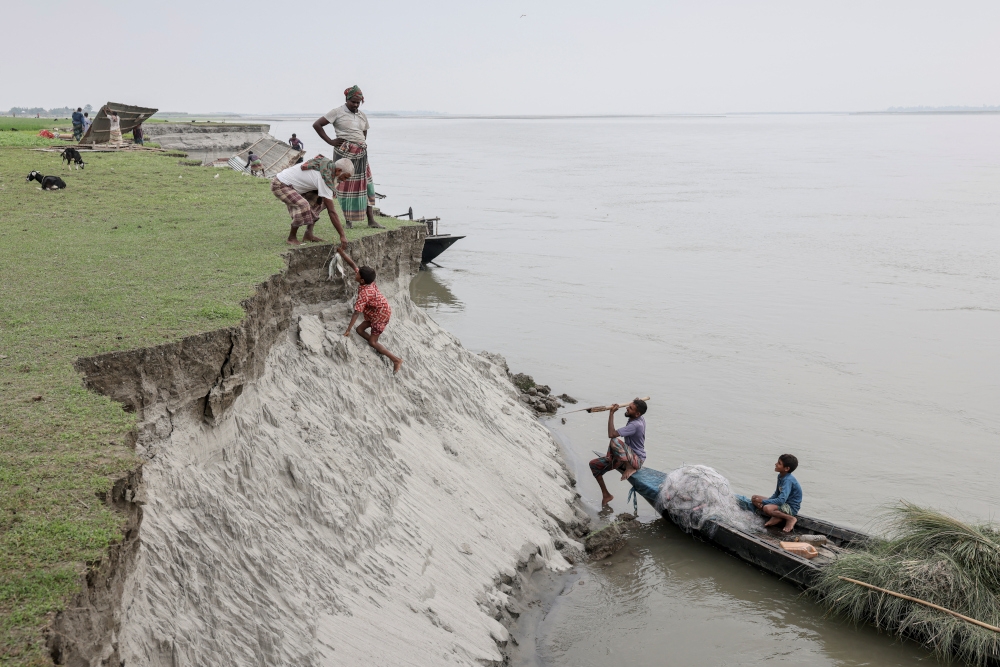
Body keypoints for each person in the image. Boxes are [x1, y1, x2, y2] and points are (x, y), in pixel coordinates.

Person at [312, 85, 384, 229]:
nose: (356, 105)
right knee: (344, 186)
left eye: (358, 102)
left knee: (366, 185)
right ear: (347, 99)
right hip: (344, 153)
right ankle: (348, 222)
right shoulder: (337, 112)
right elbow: (317, 125)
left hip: (361, 154)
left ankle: (371, 220)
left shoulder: (362, 115)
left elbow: (363, 133)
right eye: (353, 102)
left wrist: (360, 144)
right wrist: (331, 141)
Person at [337, 248, 403, 373]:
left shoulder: (365, 293)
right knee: (360, 330)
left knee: (372, 342)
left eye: (357, 274)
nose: (355, 273)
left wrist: (347, 330)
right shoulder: (368, 281)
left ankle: (395, 359)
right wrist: (342, 254)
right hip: (377, 312)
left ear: (361, 280)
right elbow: (353, 265)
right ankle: (377, 344)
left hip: (381, 316)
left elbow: (357, 312)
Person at [270, 155, 352, 246]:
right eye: (345, 177)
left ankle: (308, 234)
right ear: (338, 171)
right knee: (303, 205)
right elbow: (332, 212)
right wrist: (342, 235)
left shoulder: (328, 166)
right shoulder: (324, 178)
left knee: (323, 202)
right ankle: (291, 238)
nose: (344, 181)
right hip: (280, 184)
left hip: (296, 187)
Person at [589, 399, 648, 505]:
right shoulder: (637, 416)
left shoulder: (635, 425)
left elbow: (612, 434)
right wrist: (634, 403)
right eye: (628, 406)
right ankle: (606, 495)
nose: (626, 408)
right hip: (626, 456)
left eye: (630, 408)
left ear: (637, 414)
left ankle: (629, 467)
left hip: (636, 460)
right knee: (593, 465)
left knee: (614, 441)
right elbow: (636, 407)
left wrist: (611, 413)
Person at [751, 454, 803, 533]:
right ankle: (778, 516)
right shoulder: (780, 476)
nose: (775, 464)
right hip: (782, 503)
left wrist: (763, 502)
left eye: (779, 463)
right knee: (754, 498)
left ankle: (790, 518)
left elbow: (781, 500)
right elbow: (777, 493)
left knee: (767, 508)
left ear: (786, 468)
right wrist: (765, 501)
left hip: (790, 507)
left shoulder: (788, 480)